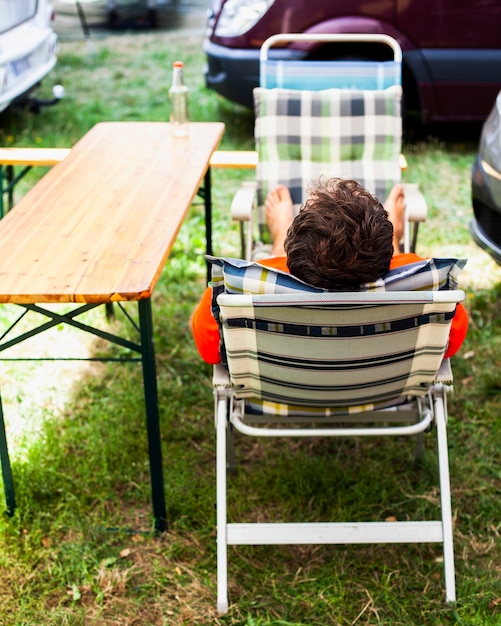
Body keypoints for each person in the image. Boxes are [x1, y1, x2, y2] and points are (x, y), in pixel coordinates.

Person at [191, 178, 468, 364]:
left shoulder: (242, 287)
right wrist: (395, 244)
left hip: (284, 391)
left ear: (294, 249)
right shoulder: (424, 283)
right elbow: (449, 342)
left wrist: (277, 247)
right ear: (387, 257)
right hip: (383, 391)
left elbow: (209, 348)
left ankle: (276, 241)